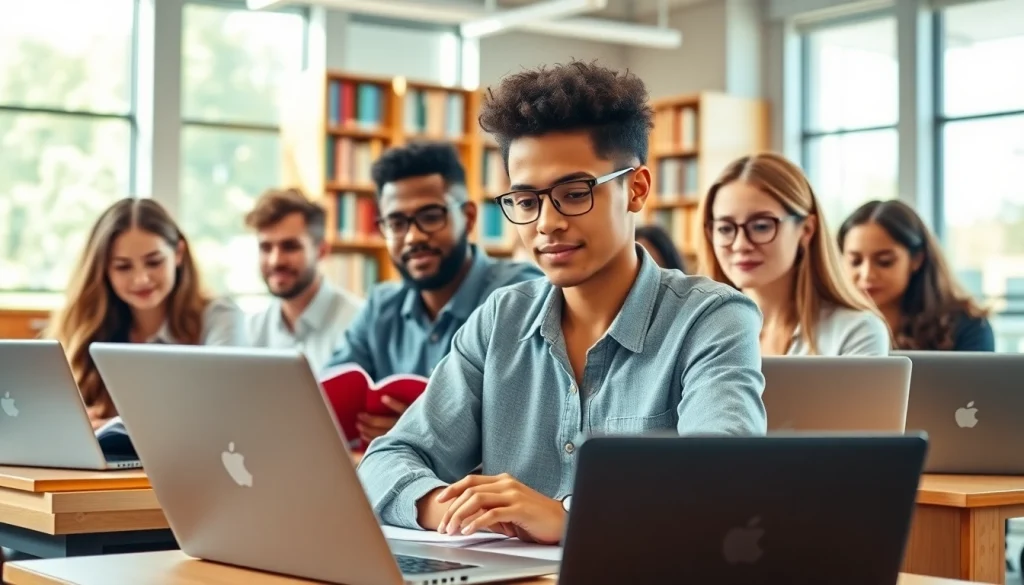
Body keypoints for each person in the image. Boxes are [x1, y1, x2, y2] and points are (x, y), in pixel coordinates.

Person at [357, 60, 767, 544]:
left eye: (574, 194)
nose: (546, 224)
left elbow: (722, 482)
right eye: (526, 201)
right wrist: (446, 505)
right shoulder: (500, 320)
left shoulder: (712, 318)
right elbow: (387, 459)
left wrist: (571, 516)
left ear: (636, 189)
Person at [325, 142, 543, 445]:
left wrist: (418, 433)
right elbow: (324, 400)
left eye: (430, 217)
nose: (412, 237)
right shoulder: (381, 306)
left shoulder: (519, 294)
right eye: (396, 223)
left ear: (468, 218)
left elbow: (531, 422)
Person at [45, 197, 247, 429]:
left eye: (154, 262)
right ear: (104, 270)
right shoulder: (94, 325)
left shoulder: (220, 317)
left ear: (178, 253)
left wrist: (113, 425)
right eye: (123, 266)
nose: (141, 279)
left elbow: (221, 408)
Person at [697, 152, 890, 356]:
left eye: (761, 226)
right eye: (725, 228)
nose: (740, 244)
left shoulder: (855, 332)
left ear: (806, 229)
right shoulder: (699, 332)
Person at [838, 199, 994, 351]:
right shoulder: (834, 323)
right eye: (855, 261)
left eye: (884, 261)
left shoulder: (968, 327)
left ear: (917, 259)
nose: (867, 275)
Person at [244, 188, 364, 372]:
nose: (276, 261)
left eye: (290, 247)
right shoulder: (251, 330)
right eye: (266, 248)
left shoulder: (359, 324)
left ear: (321, 251)